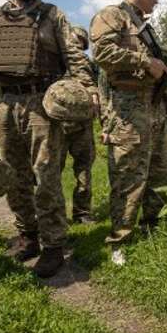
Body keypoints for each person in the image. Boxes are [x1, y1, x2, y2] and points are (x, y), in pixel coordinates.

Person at [0, 0, 97, 277]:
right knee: (13, 175)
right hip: (4, 104)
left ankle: (53, 244)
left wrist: (89, 89)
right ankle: (28, 235)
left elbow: (74, 55)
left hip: (41, 105)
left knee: (46, 176)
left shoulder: (52, 15)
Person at [89, 0, 167, 266]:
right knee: (127, 176)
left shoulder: (143, 26)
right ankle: (120, 240)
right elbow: (102, 52)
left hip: (154, 110)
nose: (157, 0)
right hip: (127, 113)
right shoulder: (113, 15)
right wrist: (144, 61)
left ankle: (154, 231)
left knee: (159, 173)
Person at [60, 26, 96, 224]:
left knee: (84, 169)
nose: (77, 44)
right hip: (58, 124)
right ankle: (55, 214)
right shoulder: (55, 62)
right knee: (52, 170)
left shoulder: (88, 65)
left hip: (83, 124)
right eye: (75, 40)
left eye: (81, 42)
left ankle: (82, 213)